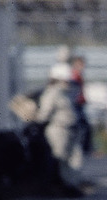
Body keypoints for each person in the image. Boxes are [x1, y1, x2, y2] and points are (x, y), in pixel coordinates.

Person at [36, 63, 80, 192]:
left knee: (70, 159)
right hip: (58, 129)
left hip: (70, 128)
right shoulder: (52, 93)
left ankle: (70, 185)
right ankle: (63, 186)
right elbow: (44, 114)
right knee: (60, 158)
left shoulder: (66, 92)